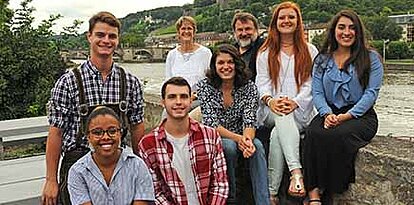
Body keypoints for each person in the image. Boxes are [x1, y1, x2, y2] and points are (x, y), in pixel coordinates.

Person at [42, 11, 145, 205]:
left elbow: (137, 127)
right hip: (77, 165)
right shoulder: (68, 82)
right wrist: (51, 179)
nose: (106, 40)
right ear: (89, 36)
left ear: (117, 40)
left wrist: (142, 168)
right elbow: (56, 133)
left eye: (112, 36)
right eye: (100, 35)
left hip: (119, 164)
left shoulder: (130, 82)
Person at [303, 10, 384, 205]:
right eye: (341, 27)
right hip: (329, 112)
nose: (346, 32)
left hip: (360, 116)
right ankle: (313, 194)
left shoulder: (371, 58)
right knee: (312, 133)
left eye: (351, 28)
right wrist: (327, 113)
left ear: (358, 32)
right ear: (334, 31)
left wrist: (346, 116)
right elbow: (318, 92)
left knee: (337, 136)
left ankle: (332, 189)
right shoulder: (322, 60)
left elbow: (371, 94)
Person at [255, 2, 318, 204]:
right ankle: (296, 172)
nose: (286, 21)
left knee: (276, 136)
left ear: (298, 22)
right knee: (281, 115)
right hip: (271, 111)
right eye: (282, 17)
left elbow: (311, 84)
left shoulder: (310, 50)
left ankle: (272, 193)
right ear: (275, 22)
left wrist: (296, 103)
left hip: (300, 111)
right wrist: (270, 101)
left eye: (291, 17)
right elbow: (261, 83)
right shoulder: (265, 53)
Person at [196, 44, 269, 205]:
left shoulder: (249, 87)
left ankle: (264, 201)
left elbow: (250, 119)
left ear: (237, 64)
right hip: (216, 136)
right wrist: (239, 139)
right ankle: (230, 198)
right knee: (228, 147)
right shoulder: (204, 87)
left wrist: (247, 141)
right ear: (214, 66)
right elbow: (212, 123)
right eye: (221, 63)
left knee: (257, 147)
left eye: (230, 62)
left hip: (242, 134)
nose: (226, 67)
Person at [139, 77, 229, 205]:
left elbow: (220, 183)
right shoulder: (148, 144)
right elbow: (155, 191)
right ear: (163, 102)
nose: (178, 102)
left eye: (183, 96)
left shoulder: (210, 135)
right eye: (172, 97)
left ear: (191, 100)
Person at [68, 106, 155, 204]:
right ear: (88, 137)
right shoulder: (78, 172)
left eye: (112, 131)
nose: (105, 137)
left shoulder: (138, 166)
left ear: (120, 133)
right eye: (97, 132)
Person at [165, 16, 212, 94]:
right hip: (178, 99)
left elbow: (211, 81)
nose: (186, 31)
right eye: (183, 28)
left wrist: (195, 96)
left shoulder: (205, 53)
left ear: (194, 32)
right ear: (178, 32)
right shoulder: (172, 55)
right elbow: (168, 81)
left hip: (199, 100)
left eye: (189, 28)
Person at [231, 12, 265, 80]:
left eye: (248, 29)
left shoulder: (265, 47)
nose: (244, 33)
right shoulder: (231, 51)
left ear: (256, 30)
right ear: (234, 32)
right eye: (240, 30)